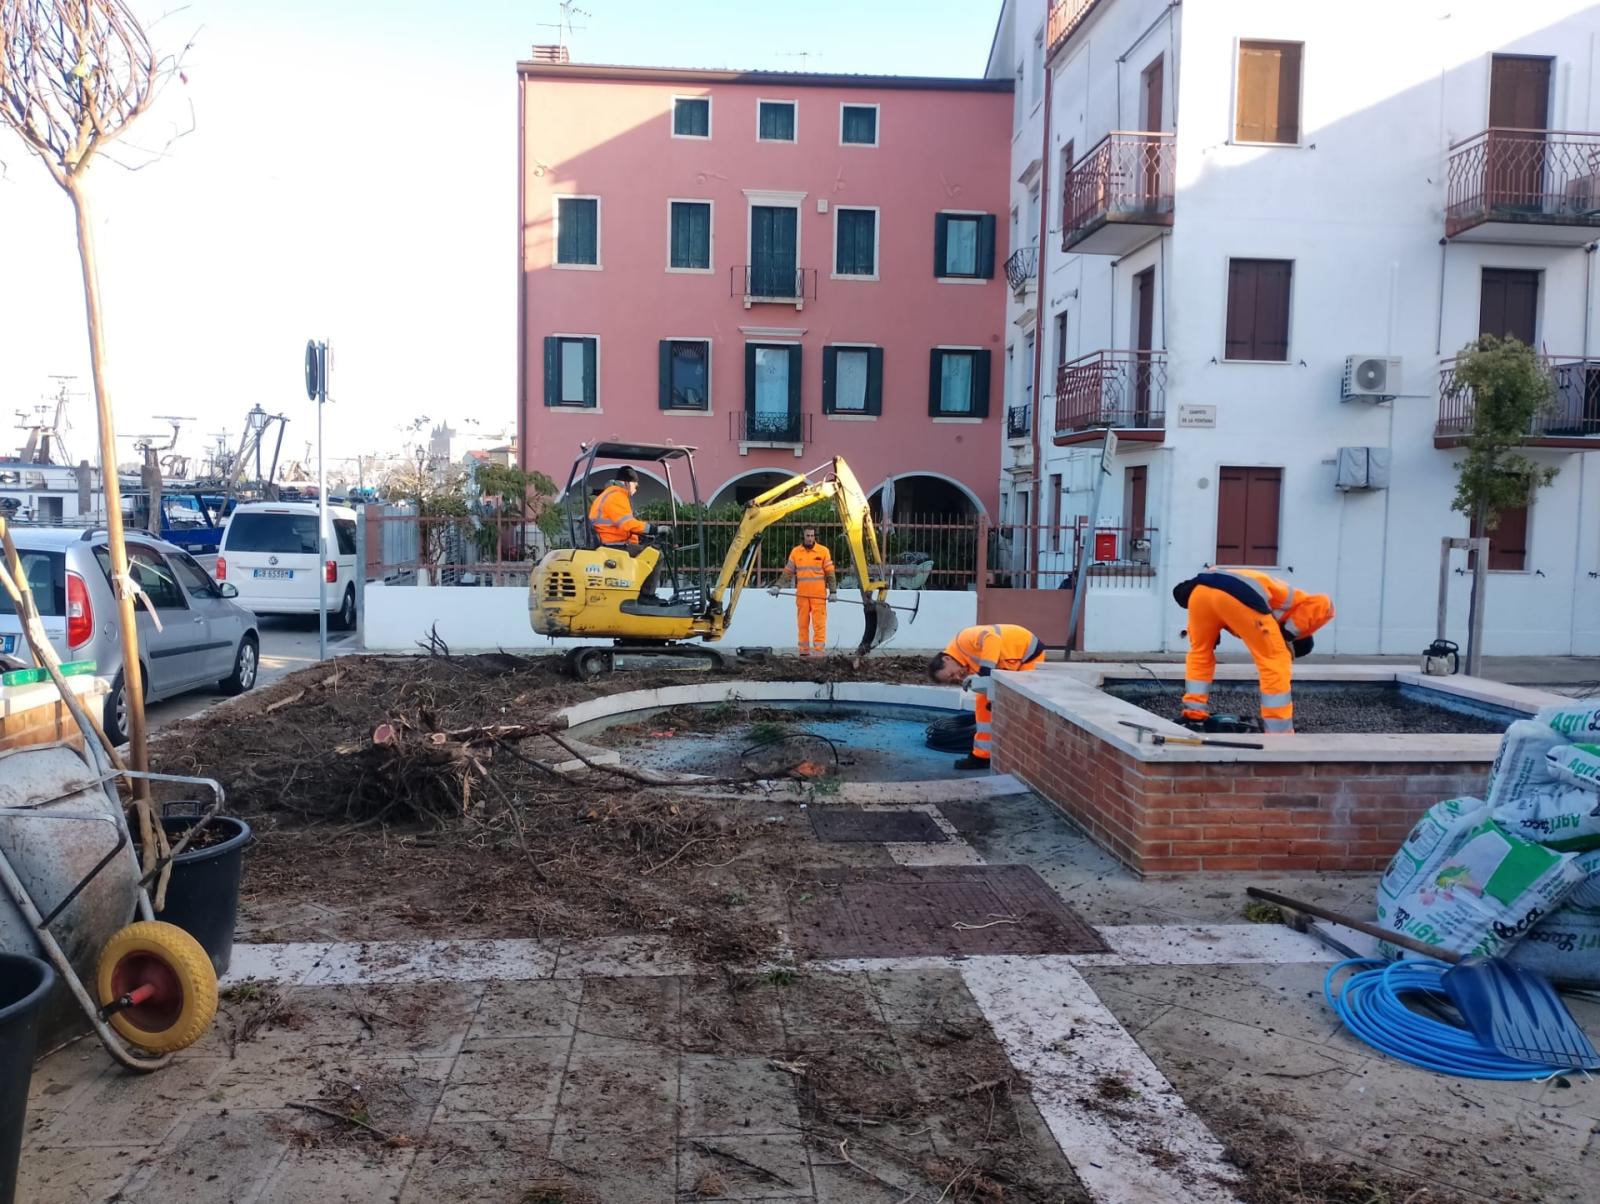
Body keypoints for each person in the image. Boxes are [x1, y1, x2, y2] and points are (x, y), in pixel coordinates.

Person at [1172, 569, 1335, 734]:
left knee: (1200, 653)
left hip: (1201, 592)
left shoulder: (1271, 606)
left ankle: (1193, 714)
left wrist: (1216, 626)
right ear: (1295, 641)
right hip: (1237, 593)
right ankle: (1279, 731)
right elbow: (1325, 603)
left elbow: (1217, 579)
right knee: (1275, 660)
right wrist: (1287, 634)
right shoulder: (1296, 609)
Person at [927, 623, 1046, 770]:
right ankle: (981, 756)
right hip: (1009, 663)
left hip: (1028, 655)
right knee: (983, 705)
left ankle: (1026, 757)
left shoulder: (964, 639)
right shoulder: (963, 661)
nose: (957, 677)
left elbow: (992, 638)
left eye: (952, 674)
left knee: (1020, 704)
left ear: (946, 659)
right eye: (953, 679)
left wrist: (983, 673)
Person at [588, 466, 671, 601]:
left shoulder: (608, 494)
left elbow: (622, 524)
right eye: (635, 485)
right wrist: (654, 529)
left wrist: (642, 535)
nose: (636, 489)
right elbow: (627, 523)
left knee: (644, 552)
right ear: (627, 483)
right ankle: (647, 596)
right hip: (613, 544)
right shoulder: (617, 496)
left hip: (609, 540)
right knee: (657, 556)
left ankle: (637, 593)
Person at [768, 526, 836, 656]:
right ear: (803, 537)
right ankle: (804, 652)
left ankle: (818, 653)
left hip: (818, 597)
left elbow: (830, 573)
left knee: (819, 625)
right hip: (802, 596)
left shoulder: (823, 551)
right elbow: (788, 573)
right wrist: (778, 586)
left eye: (812, 536)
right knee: (802, 625)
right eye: (807, 536)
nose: (810, 538)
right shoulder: (796, 552)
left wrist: (833, 592)